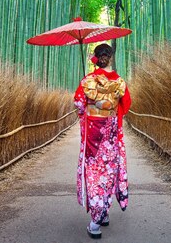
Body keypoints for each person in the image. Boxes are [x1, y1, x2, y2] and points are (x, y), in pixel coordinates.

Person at [73, 43, 131, 239]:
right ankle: (104, 212)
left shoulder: (88, 80)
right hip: (112, 131)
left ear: (96, 58)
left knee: (95, 172)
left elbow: (79, 104)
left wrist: (89, 102)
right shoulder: (119, 81)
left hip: (93, 132)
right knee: (109, 170)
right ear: (111, 57)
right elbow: (127, 104)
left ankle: (95, 222)